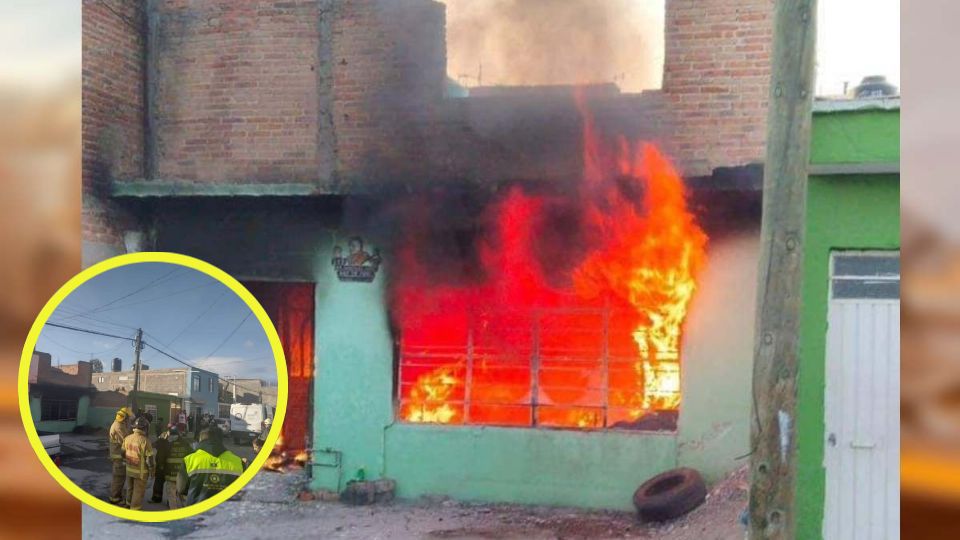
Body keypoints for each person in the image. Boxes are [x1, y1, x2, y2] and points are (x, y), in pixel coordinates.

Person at [178, 426, 244, 505]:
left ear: (201, 440)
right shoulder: (238, 462)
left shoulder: (189, 460)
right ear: (221, 440)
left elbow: (181, 488)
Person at [153, 425, 191, 509]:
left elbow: (160, 458)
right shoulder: (185, 443)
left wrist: (160, 468)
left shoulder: (167, 443)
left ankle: (174, 512)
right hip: (182, 475)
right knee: (183, 494)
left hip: (170, 475)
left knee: (171, 495)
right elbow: (191, 456)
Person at [123, 416, 155, 510]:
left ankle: (128, 504)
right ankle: (135, 509)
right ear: (145, 428)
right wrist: (152, 471)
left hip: (129, 470)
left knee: (130, 489)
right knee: (138, 491)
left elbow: (122, 453)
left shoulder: (127, 438)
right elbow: (149, 460)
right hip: (140, 473)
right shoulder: (145, 441)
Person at [107, 407, 133, 505]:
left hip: (118, 455)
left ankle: (117, 496)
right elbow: (126, 439)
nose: (129, 419)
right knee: (119, 478)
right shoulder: (118, 426)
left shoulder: (120, 424)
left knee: (120, 478)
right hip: (118, 456)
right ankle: (114, 498)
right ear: (125, 417)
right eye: (128, 417)